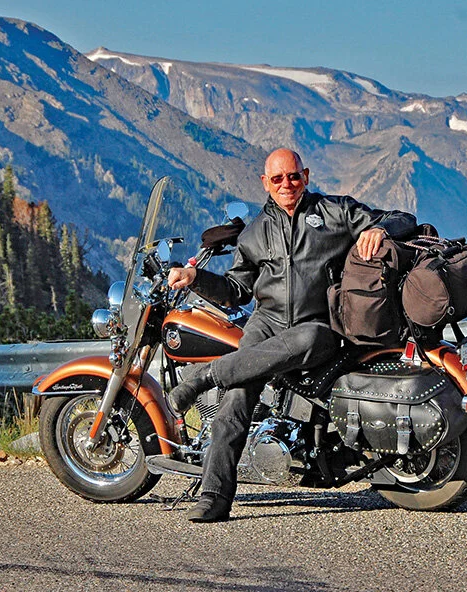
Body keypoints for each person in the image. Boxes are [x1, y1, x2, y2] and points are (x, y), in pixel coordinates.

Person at [166, 148, 417, 522]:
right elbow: (238, 290)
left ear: (307, 175)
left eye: (294, 176)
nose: (287, 184)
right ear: (265, 183)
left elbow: (404, 218)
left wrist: (379, 229)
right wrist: (196, 278)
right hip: (266, 323)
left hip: (318, 323)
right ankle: (215, 496)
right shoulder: (253, 233)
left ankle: (206, 375)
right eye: (278, 179)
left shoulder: (336, 212)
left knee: (309, 341)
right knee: (235, 400)